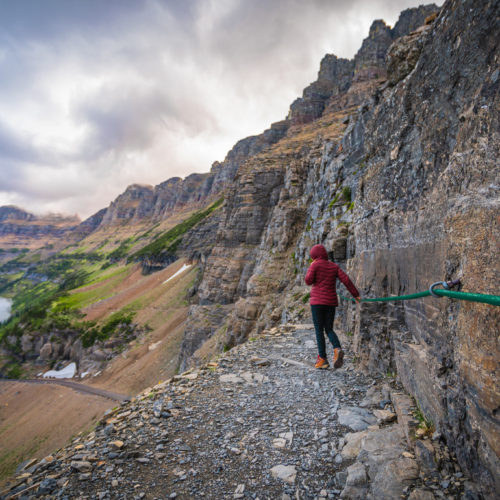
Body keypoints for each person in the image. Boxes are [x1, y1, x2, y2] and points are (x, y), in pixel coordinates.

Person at [305, 244, 360, 369]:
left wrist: (311, 267)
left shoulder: (315, 265)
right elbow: (345, 279)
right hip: (330, 302)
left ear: (314, 256)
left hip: (317, 303)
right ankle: (337, 348)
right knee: (329, 329)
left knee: (319, 330)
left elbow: (308, 281)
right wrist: (355, 294)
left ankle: (322, 359)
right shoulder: (333, 266)